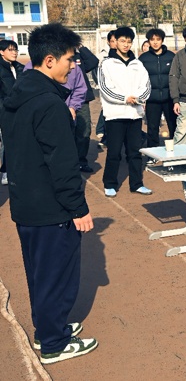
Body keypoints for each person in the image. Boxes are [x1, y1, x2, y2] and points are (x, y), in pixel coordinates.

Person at [0, 23, 98, 364]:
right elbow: (62, 163)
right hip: (51, 206)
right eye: (70, 60)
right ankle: (54, 342)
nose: (73, 66)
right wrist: (78, 208)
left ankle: (48, 329)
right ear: (50, 60)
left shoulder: (17, 95)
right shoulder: (49, 104)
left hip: (26, 203)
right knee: (56, 275)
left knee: (40, 274)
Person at [98, 26, 153, 197]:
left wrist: (138, 99)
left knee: (134, 152)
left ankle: (136, 184)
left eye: (129, 42)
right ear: (115, 42)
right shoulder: (106, 64)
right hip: (115, 115)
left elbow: (146, 86)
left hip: (134, 115)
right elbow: (105, 89)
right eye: (122, 41)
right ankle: (109, 183)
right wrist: (124, 99)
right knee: (114, 152)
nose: (126, 45)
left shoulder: (138, 64)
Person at [140, 28, 176, 152]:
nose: (155, 42)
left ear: (162, 40)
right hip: (152, 99)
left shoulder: (171, 56)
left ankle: (175, 153)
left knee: (173, 126)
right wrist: (142, 98)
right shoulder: (143, 58)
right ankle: (152, 154)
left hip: (169, 98)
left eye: (158, 39)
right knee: (152, 128)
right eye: (152, 39)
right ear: (148, 41)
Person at [0, 39, 24, 186]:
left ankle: (16, 170)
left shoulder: (19, 67)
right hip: (5, 111)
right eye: (10, 50)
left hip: (19, 110)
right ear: (1, 52)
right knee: (6, 141)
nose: (14, 52)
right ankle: (5, 171)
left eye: (15, 49)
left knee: (18, 141)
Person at [73, 45, 100, 172]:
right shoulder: (58, 55)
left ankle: (81, 161)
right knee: (67, 131)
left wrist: (81, 47)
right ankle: (69, 161)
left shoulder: (79, 56)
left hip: (82, 99)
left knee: (84, 130)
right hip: (64, 99)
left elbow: (93, 62)